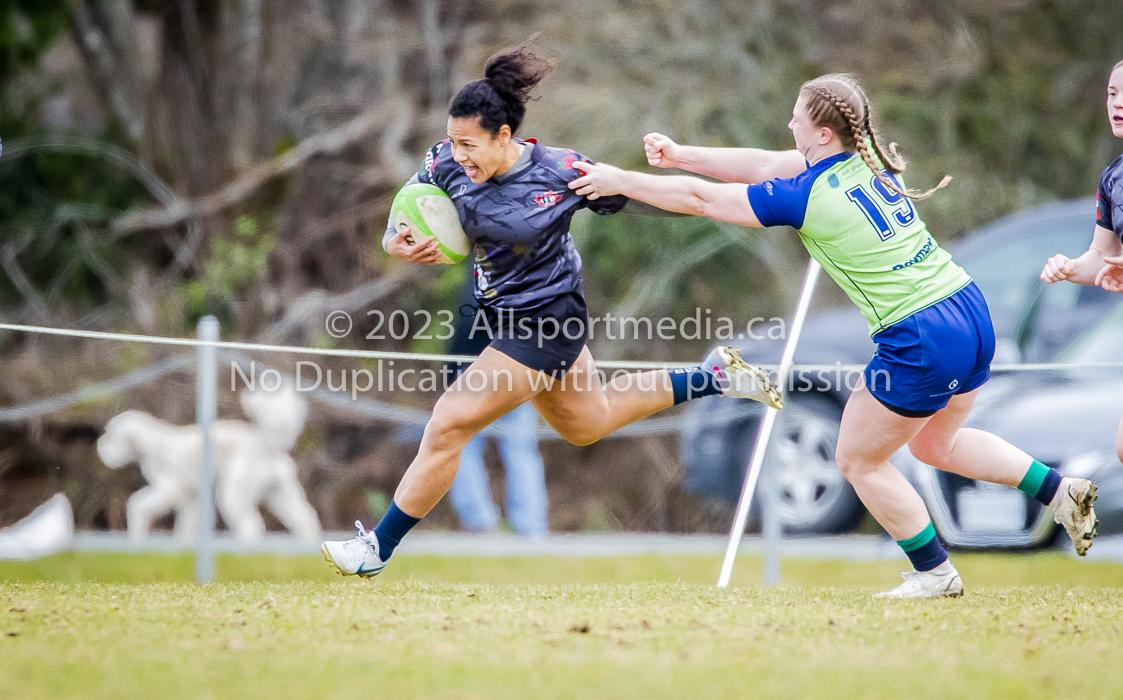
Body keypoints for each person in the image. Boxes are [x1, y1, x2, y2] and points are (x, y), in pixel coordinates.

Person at [569, 73, 1098, 598]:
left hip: (920, 331)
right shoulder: (862, 164)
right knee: (941, 443)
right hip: (966, 306)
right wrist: (682, 153)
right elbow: (758, 163)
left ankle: (935, 573)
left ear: (823, 134)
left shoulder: (806, 194)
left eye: (796, 118)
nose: (789, 124)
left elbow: (704, 201)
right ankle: (1059, 491)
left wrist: (622, 180)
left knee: (858, 459)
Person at [321, 36, 780, 578]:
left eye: (470, 144)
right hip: (506, 320)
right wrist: (395, 243)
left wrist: (747, 199)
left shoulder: (559, 172)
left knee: (447, 424)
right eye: (452, 141)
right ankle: (714, 377)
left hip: (548, 321)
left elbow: (655, 198)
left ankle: (377, 549)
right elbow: (406, 216)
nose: (457, 153)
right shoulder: (445, 162)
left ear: (504, 136)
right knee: (589, 422)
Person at [1041, 58, 1123, 464]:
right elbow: (1103, 258)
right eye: (1111, 93)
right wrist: (1070, 267)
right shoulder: (1113, 178)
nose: (1116, 103)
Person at [447, 269, 549, 537]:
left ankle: (485, 521)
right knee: (517, 447)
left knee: (468, 446)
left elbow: (467, 329)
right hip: (508, 369)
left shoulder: (485, 276)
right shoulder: (525, 273)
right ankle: (526, 523)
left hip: (487, 371)